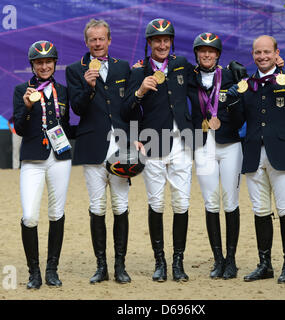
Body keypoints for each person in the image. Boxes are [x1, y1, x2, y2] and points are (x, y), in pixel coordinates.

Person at [227, 35, 285, 283]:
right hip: (253, 154)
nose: (262, 56)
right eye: (258, 52)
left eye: (267, 52)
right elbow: (237, 122)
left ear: (276, 52)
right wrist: (234, 100)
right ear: (253, 55)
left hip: (281, 154)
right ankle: (265, 264)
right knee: (260, 211)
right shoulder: (246, 86)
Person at [121, 18, 195, 282]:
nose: (162, 44)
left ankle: (178, 262)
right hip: (153, 142)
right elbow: (125, 109)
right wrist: (140, 92)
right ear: (149, 43)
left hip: (183, 142)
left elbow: (204, 85)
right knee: (156, 203)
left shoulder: (182, 64)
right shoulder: (138, 70)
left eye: (166, 40)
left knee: (182, 203)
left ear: (170, 41)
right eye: (157, 40)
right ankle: (160, 262)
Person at [65, 19, 135, 284]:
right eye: (92, 40)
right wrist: (89, 86)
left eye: (101, 39)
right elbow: (78, 109)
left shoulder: (122, 67)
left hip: (121, 148)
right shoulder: (75, 70)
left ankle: (120, 266)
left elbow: (130, 108)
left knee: (120, 206)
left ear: (109, 40)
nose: (97, 43)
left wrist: (136, 139)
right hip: (93, 146)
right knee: (97, 207)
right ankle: (101, 267)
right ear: (86, 42)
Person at [13, 40, 74, 289]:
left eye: (48, 61)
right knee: (29, 216)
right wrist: (28, 108)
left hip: (60, 159)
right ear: (33, 65)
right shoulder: (22, 91)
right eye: (39, 62)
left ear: (54, 64)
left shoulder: (63, 90)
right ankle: (33, 272)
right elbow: (20, 127)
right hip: (33, 159)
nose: (44, 66)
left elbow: (67, 124)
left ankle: (51, 270)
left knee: (56, 213)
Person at [189, 33, 245, 280]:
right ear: (197, 54)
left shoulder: (232, 75)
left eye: (211, 51)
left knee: (230, 201)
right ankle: (218, 260)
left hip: (230, 143)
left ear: (218, 54)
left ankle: (231, 260)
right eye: (202, 50)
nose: (207, 54)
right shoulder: (187, 77)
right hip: (202, 145)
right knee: (211, 202)